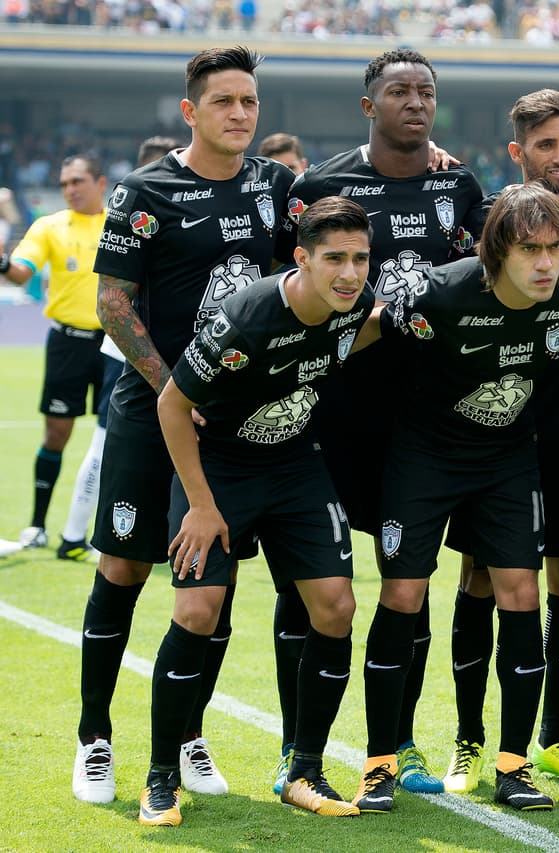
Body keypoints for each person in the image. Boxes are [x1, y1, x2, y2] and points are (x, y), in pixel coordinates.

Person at [75, 45, 296, 806]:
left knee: (215, 582)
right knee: (124, 570)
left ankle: (188, 732)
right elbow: (112, 303)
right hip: (151, 411)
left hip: (233, 424)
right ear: (190, 110)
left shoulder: (275, 186)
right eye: (225, 101)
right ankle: (94, 736)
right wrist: (176, 388)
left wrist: (423, 153)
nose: (240, 114)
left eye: (250, 102)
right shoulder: (145, 191)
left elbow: (346, 215)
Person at [284, 47, 485, 806]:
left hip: (427, 418)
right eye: (398, 90)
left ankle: (395, 743)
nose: (415, 101)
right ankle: (295, 748)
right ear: (368, 105)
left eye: (425, 91)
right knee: (310, 583)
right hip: (335, 413)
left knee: (412, 580)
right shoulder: (322, 185)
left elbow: (485, 269)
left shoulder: (457, 183)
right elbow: (289, 284)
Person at [142, 196, 380, 826]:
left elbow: (373, 325)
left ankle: (303, 769)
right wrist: (199, 505)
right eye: (335, 258)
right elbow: (171, 406)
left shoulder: (353, 302)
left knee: (336, 606)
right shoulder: (242, 318)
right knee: (197, 611)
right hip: (220, 469)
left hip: (296, 465)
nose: (350, 273)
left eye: (360, 258)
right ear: (300, 258)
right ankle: (160, 776)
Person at [375, 182, 559, 812]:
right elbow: (367, 336)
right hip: (424, 457)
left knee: (521, 593)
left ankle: (513, 765)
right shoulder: (437, 292)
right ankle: (379, 761)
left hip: (507, 457)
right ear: (497, 251)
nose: (546, 263)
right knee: (403, 593)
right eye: (531, 248)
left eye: (556, 247)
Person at [441, 88, 559, 794]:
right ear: (518, 152)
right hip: (499, 432)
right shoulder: (484, 218)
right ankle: (467, 739)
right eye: (546, 145)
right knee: (483, 577)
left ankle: (548, 740)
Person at [56, 137, 181, 567]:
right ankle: (75, 534)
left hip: (136, 350)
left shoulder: (173, 213)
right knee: (103, 443)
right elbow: (115, 297)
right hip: (123, 351)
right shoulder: (136, 212)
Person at [0, 154, 108, 557]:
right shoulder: (49, 226)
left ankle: (101, 534)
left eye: (78, 181)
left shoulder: (118, 222)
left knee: (114, 441)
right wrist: (2, 261)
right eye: (64, 183)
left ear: (101, 183)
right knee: (56, 434)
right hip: (67, 342)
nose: (70, 189)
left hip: (116, 344)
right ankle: (37, 525)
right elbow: (21, 273)